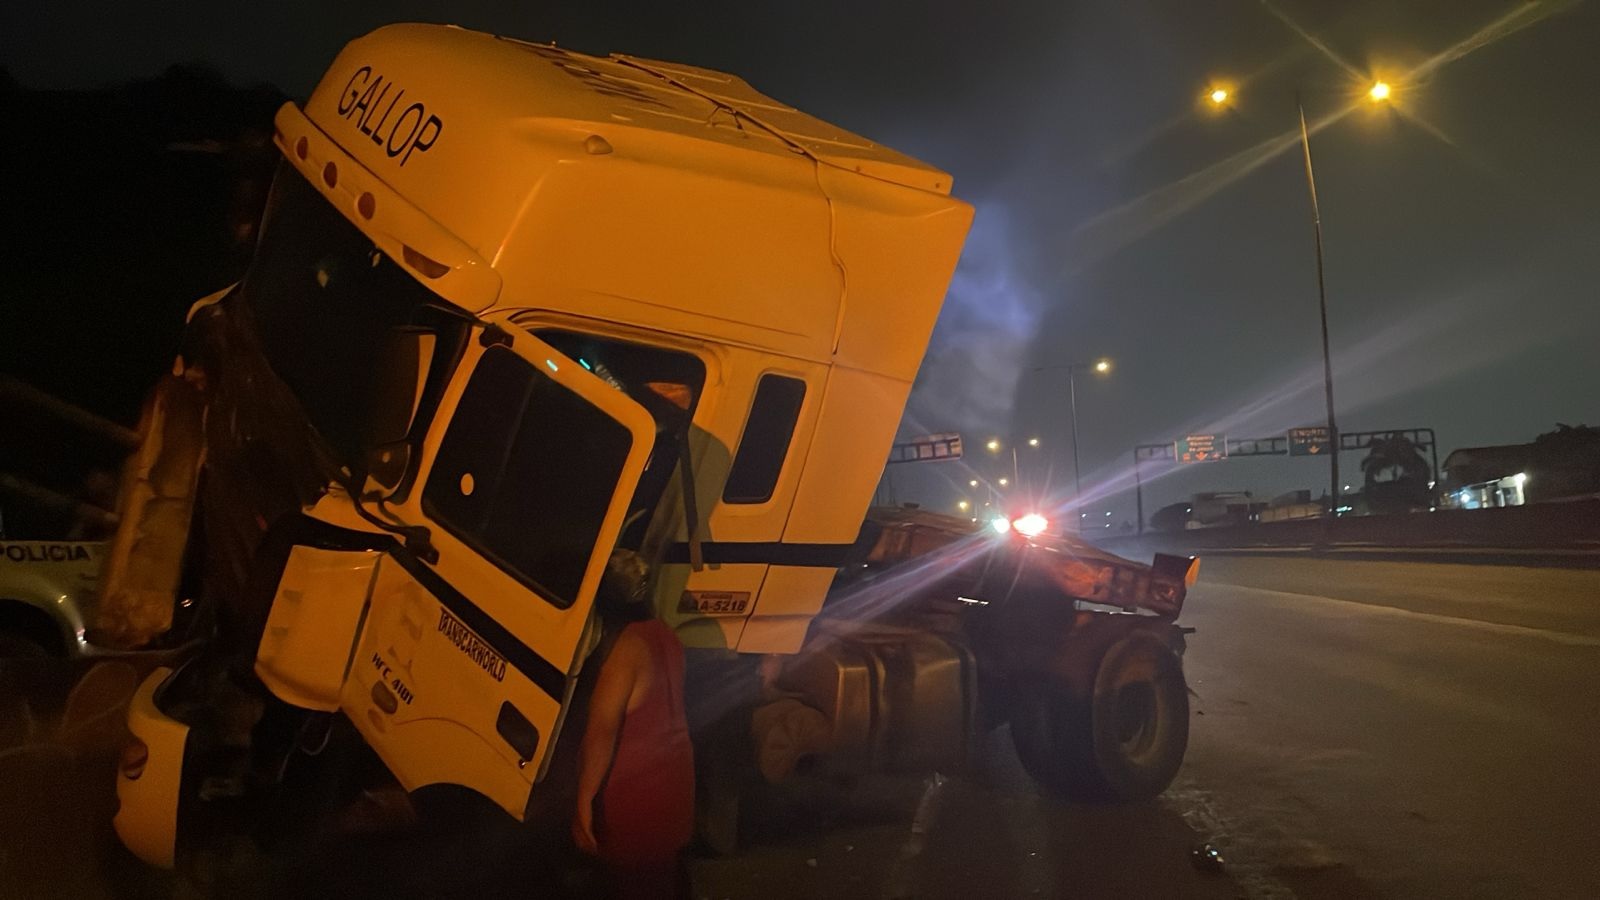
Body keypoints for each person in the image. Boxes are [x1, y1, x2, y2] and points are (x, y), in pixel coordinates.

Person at [573, 553, 695, 899]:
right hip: (677, 788)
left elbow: (601, 734)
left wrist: (583, 802)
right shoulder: (666, 636)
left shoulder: (626, 650)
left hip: (637, 802)